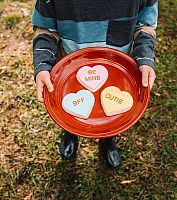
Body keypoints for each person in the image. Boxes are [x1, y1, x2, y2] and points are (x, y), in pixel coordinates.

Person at [32, 0, 158, 170]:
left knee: (111, 112)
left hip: (118, 70)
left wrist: (145, 56)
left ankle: (108, 140)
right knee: (71, 108)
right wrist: (43, 64)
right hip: (69, 70)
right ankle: (70, 133)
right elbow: (45, 28)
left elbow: (145, 24)